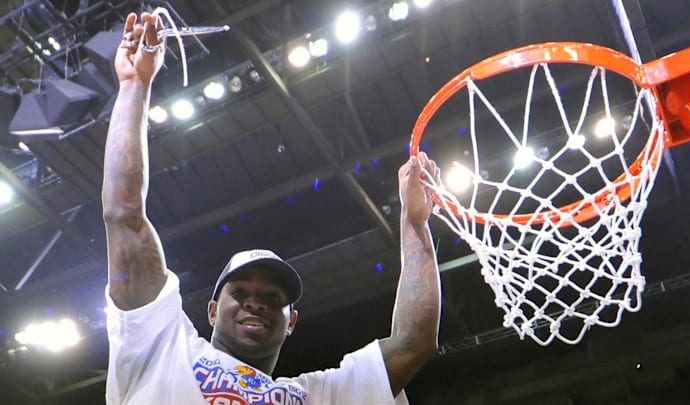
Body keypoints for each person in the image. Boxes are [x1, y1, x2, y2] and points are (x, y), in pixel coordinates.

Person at [102, 11, 442, 405]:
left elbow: (412, 344)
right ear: (212, 311)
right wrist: (134, 84)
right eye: (241, 292)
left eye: (274, 299)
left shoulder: (317, 396)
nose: (257, 302)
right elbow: (124, 215)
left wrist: (414, 222)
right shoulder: (164, 346)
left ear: (291, 321)